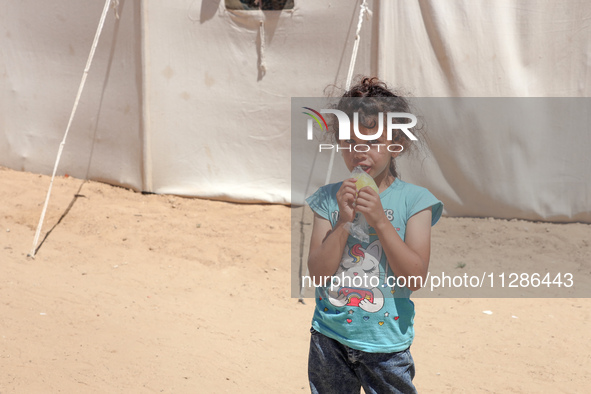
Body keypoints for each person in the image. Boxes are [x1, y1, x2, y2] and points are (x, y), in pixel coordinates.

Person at [305, 77, 443, 394]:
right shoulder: (328, 199)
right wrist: (343, 221)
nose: (360, 153)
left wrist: (380, 220)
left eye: (373, 143)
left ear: (398, 145)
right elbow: (317, 273)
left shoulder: (416, 201)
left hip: (387, 346)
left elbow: (414, 277)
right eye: (351, 142)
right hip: (329, 340)